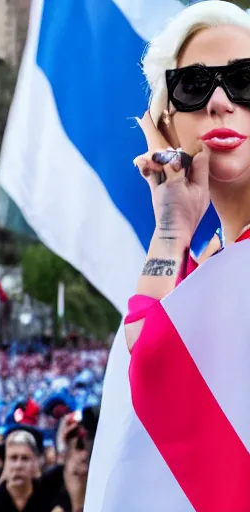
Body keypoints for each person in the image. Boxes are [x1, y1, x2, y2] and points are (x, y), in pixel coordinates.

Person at [125, 0, 250, 509]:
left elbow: (150, 354)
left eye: (245, 80)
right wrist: (173, 225)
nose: (221, 102)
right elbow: (147, 350)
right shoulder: (209, 268)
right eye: (195, 85)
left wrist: (171, 232)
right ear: (166, 125)